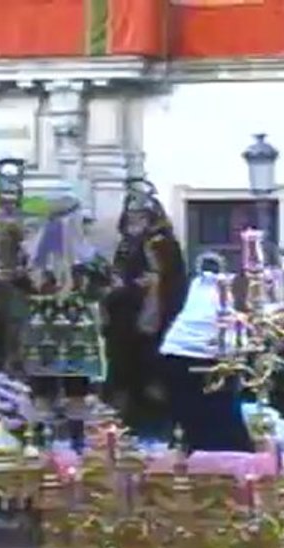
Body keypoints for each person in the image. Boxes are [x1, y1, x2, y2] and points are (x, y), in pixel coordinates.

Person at [102, 179, 188, 440]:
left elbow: (168, 283)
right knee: (126, 379)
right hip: (124, 323)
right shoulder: (127, 244)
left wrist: (148, 286)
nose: (133, 221)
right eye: (130, 215)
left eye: (139, 215)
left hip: (153, 325)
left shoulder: (161, 244)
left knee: (151, 381)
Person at [159, 267, 253, 453]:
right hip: (198, 359)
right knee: (215, 431)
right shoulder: (218, 287)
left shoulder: (201, 284)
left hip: (188, 356)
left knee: (202, 427)